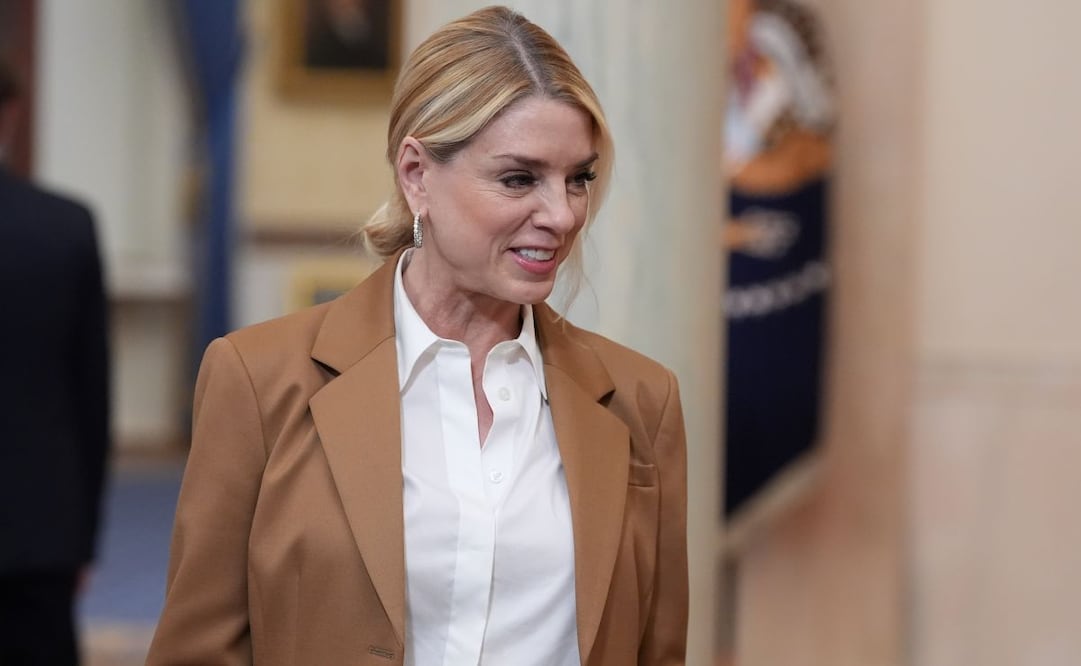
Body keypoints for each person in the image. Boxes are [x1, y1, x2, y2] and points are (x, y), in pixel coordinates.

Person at [147, 6, 688, 665]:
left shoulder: (641, 401)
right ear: (416, 175)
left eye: (578, 179)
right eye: (519, 178)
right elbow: (197, 650)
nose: (562, 214)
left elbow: (656, 648)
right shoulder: (258, 379)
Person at [0, 58, 111, 665]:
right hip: (39, 531)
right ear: (12, 113)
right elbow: (91, 396)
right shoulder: (66, 227)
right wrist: (82, 536)